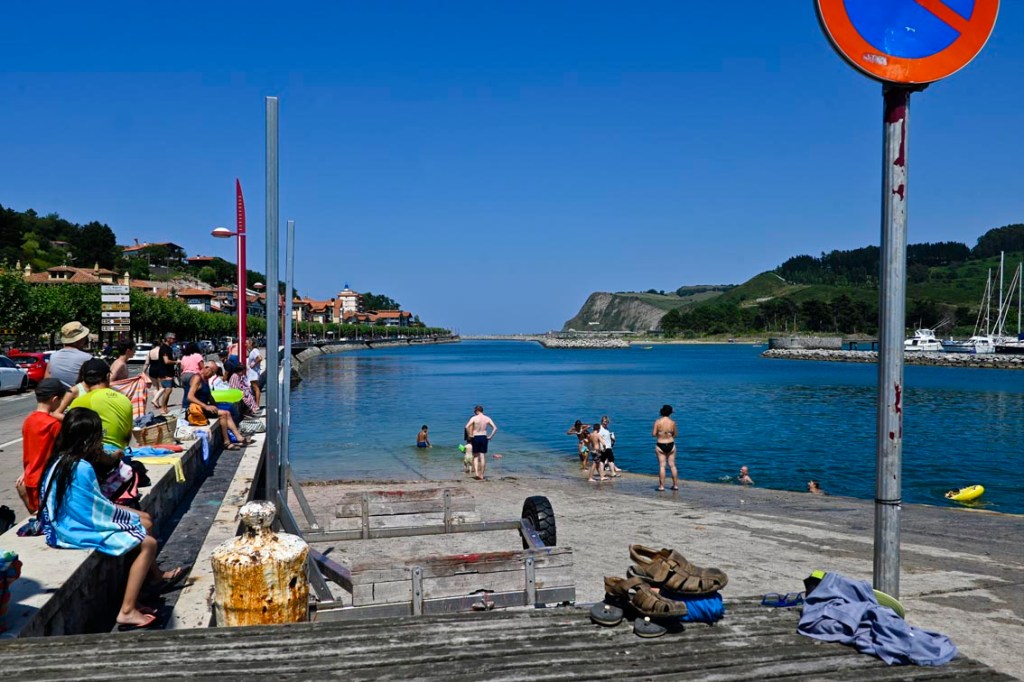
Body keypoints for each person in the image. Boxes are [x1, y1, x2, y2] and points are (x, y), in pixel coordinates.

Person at [38, 408, 182, 630]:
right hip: (75, 528)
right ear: (89, 439)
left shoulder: (59, 460)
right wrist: (125, 517)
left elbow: (91, 502)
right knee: (148, 541)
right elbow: (94, 510)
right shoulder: (81, 467)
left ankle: (149, 580)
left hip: (66, 522)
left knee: (144, 519)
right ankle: (128, 610)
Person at [15, 379, 66, 514]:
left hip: (30, 478)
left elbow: (32, 449)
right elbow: (62, 451)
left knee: (38, 516)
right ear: (55, 399)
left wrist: (26, 471)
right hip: (45, 480)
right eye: (61, 400)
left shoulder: (28, 420)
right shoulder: (53, 424)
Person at [69, 359, 135, 451]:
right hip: (120, 451)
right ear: (108, 376)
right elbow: (128, 435)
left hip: (93, 453)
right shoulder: (125, 399)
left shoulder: (80, 401)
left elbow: (72, 433)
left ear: (84, 379)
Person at [185, 361, 249, 450]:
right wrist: (206, 406)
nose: (212, 375)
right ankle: (226, 442)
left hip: (202, 408)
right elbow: (190, 397)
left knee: (227, 412)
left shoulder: (205, 379)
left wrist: (216, 405)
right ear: (207, 368)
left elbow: (209, 395)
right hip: (195, 410)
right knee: (223, 414)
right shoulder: (197, 378)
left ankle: (238, 437)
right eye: (213, 372)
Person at [44, 321, 93, 388]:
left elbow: (46, 380)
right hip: (78, 394)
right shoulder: (87, 358)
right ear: (79, 339)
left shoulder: (53, 356)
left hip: (57, 393)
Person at [147, 333, 178, 415]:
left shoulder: (168, 348)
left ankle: (165, 408)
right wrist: (176, 362)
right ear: (168, 339)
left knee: (168, 390)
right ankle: (163, 408)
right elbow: (166, 361)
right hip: (165, 373)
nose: (174, 340)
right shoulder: (164, 348)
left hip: (168, 372)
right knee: (168, 390)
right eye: (173, 339)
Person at [464, 405, 498, 481]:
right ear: (482, 411)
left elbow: (466, 427)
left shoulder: (474, 418)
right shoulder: (487, 418)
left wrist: (469, 435)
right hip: (484, 437)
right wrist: (490, 436)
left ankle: (476, 474)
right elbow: (495, 428)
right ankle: (482, 475)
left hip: (475, 437)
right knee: (482, 457)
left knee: (476, 457)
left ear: (477, 411)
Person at [652, 404, 678, 491]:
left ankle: (661, 486)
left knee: (662, 466)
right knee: (672, 465)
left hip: (660, 444)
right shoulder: (673, 422)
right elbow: (675, 435)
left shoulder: (658, 422)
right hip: (671, 444)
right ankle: (675, 485)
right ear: (670, 413)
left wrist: (660, 434)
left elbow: (653, 434)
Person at [246, 339, 263, 408]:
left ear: (251, 344)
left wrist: (253, 364)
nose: (246, 345)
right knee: (254, 388)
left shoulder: (254, 351)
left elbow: (260, 358)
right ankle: (255, 404)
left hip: (254, 373)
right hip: (253, 373)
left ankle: (257, 405)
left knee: (255, 387)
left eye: (247, 343)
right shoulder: (253, 351)